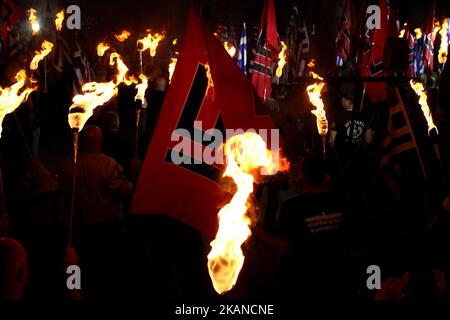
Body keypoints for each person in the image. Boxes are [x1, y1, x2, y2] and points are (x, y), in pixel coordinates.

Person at [61, 125, 133, 299]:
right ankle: (102, 295)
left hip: (78, 227)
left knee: (76, 264)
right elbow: (125, 191)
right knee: (103, 269)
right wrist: (133, 174)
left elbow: (63, 195)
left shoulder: (68, 165)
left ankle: (74, 292)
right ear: (99, 142)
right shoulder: (108, 165)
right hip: (105, 229)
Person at [276, 154, 349, 300]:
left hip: (303, 285)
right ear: (325, 176)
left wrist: (253, 230)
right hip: (337, 282)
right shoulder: (340, 202)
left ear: (302, 175)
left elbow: (283, 248)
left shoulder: (291, 207)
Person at [138, 76, 167, 161]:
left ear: (154, 85)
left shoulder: (147, 95)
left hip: (146, 131)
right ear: (164, 87)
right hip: (159, 134)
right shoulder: (167, 100)